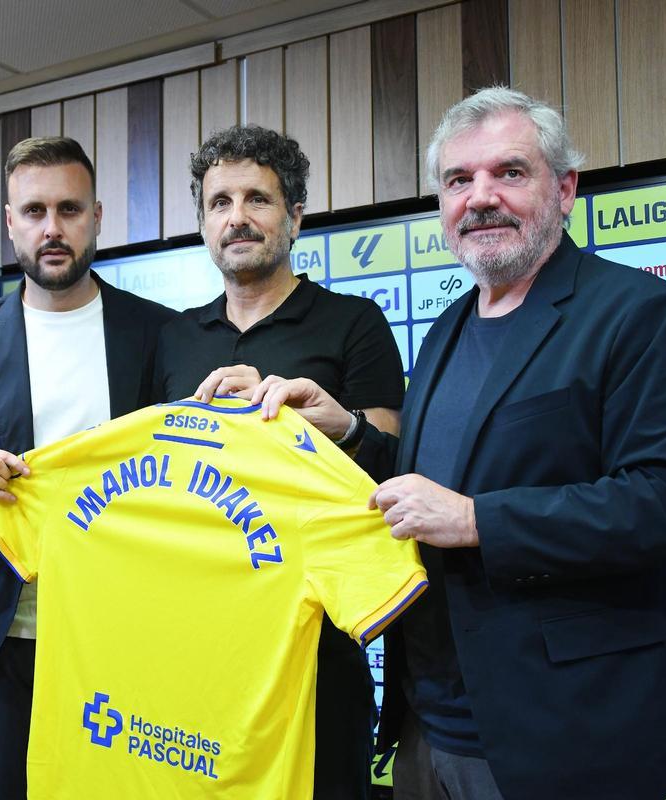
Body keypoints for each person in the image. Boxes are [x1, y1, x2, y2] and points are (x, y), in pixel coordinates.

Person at [250, 87, 666, 800]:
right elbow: (427, 486)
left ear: (564, 190)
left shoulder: (639, 313)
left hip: (570, 737)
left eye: (509, 172)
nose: (481, 197)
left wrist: (478, 522)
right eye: (458, 180)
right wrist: (346, 427)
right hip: (427, 727)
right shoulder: (446, 328)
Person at [0, 136, 176, 798]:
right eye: (33, 212)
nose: (51, 229)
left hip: (117, 637)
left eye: (68, 209)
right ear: (10, 223)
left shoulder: (159, 334)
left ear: (97, 216)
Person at [153, 124, 406, 800]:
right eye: (219, 202)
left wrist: (328, 425)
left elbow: (388, 465)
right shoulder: (174, 337)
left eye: (258, 199)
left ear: (295, 216)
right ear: (203, 224)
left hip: (314, 646)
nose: (237, 217)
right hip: (199, 648)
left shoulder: (354, 323)